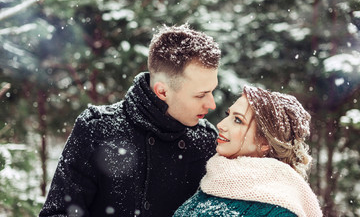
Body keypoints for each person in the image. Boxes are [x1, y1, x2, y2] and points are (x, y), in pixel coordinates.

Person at [39, 23, 221, 217]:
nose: (212, 104)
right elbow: (59, 213)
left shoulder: (205, 140)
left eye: (212, 91)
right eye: (201, 95)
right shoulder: (97, 128)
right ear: (162, 91)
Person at [173, 85, 323, 217]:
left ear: (264, 142)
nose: (221, 125)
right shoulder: (213, 182)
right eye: (228, 115)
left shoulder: (280, 209)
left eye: (238, 120)